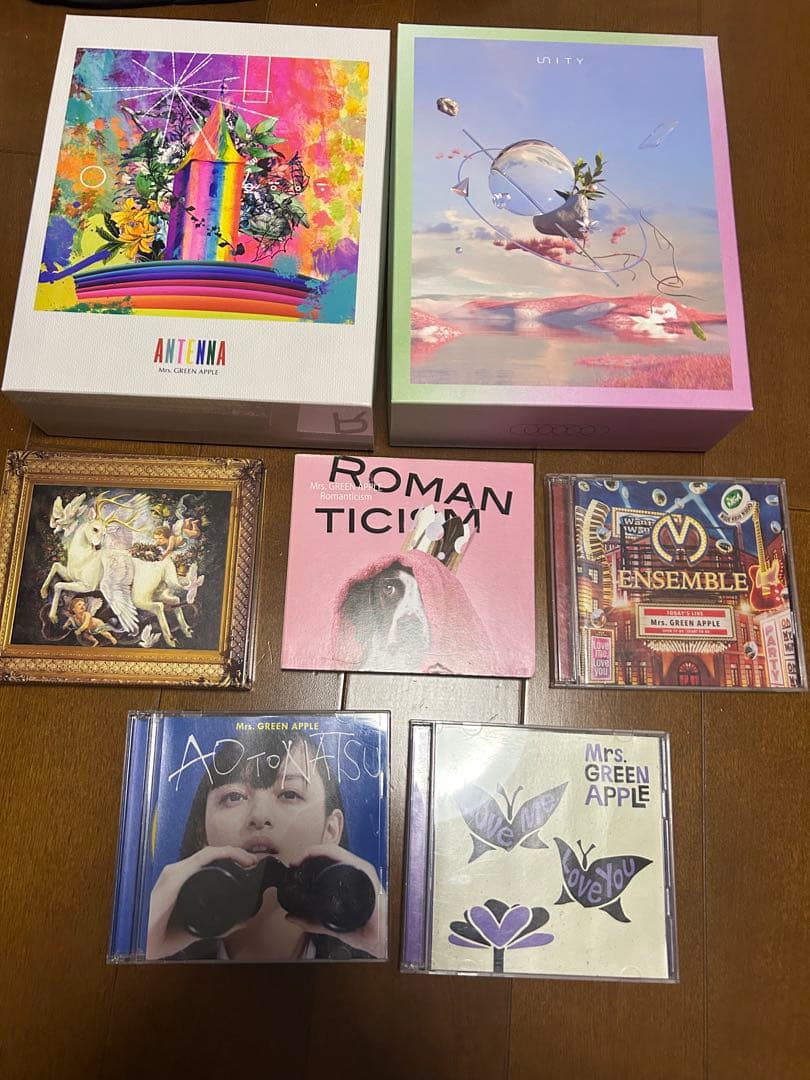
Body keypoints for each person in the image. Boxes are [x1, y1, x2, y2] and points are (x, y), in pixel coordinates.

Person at [146, 730, 386, 962]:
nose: (259, 816)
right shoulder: (157, 956)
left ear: (331, 829)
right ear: (202, 830)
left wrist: (383, 941)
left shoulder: (365, 967)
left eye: (290, 794)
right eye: (234, 797)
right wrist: (147, 943)